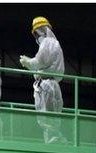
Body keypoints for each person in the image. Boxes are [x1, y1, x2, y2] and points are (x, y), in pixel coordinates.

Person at [19, 16, 66, 144]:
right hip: (50, 83)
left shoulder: (48, 42)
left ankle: (54, 141)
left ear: (42, 30)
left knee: (47, 117)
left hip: (46, 84)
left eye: (36, 32)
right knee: (50, 117)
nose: (36, 36)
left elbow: (40, 61)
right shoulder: (53, 43)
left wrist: (28, 62)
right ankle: (54, 140)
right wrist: (30, 63)